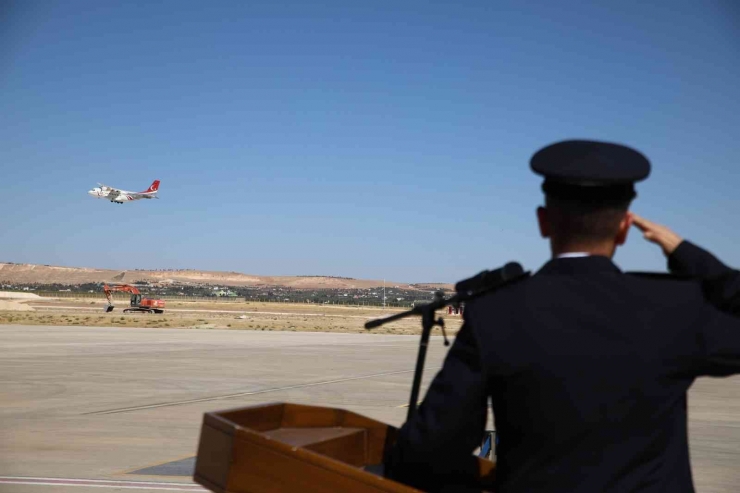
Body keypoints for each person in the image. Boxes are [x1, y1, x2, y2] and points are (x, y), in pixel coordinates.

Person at [383, 140, 740, 493]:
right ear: (624, 228)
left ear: (543, 222)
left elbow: (431, 448)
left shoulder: (497, 311)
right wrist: (684, 252)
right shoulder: (675, 307)